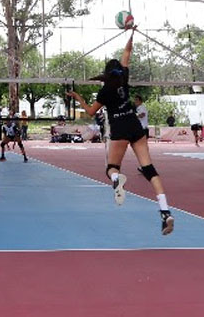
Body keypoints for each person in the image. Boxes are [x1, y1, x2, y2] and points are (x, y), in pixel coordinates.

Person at [66, 34, 175, 235]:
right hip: (135, 126)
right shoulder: (124, 79)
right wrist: (131, 33)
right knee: (149, 169)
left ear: (106, 73)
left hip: (119, 129)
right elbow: (127, 52)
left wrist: (78, 97)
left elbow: (90, 112)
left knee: (111, 168)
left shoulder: (105, 92)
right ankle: (165, 211)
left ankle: (117, 179)